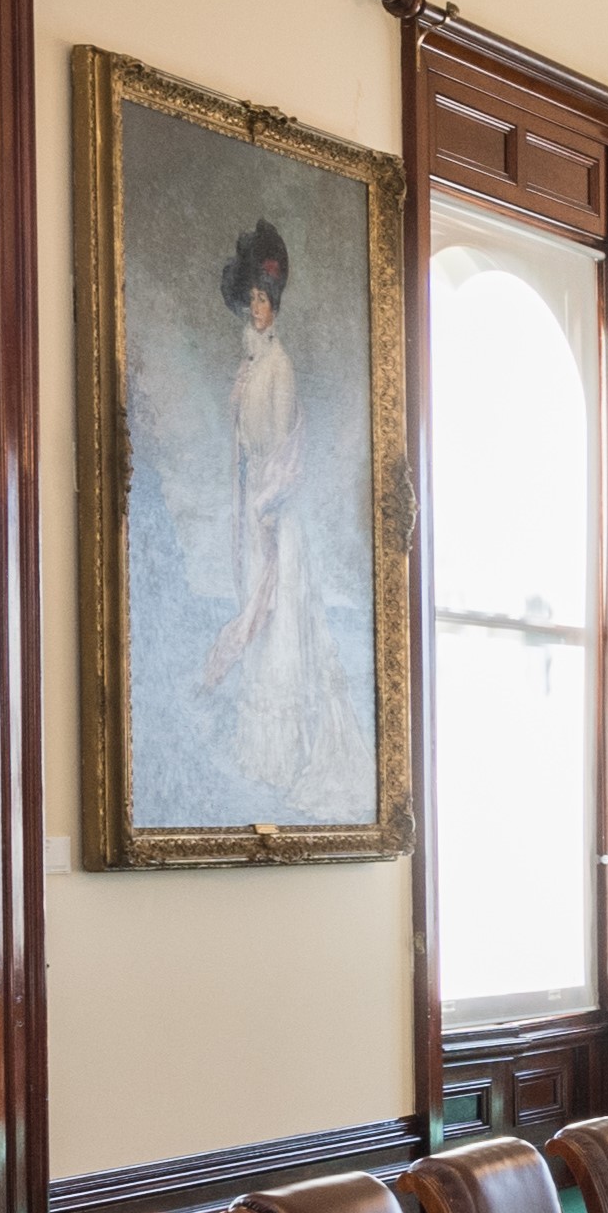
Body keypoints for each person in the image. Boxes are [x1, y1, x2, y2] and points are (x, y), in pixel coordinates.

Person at [201, 215, 349, 807]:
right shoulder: (251, 367)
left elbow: (288, 449)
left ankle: (287, 753)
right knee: (258, 620)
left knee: (282, 623)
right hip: (252, 504)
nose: (258, 309)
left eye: (265, 300)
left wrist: (266, 505)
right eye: (253, 299)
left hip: (277, 515)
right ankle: (261, 751)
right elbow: (245, 441)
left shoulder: (280, 368)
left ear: (276, 305)